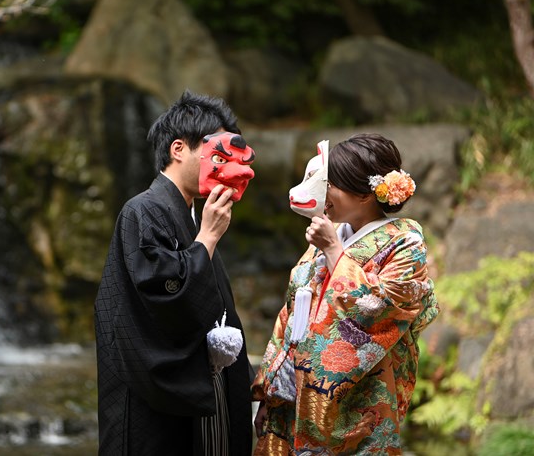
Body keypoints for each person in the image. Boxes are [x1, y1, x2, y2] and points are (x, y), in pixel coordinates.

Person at [251, 133, 439, 455]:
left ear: (364, 194)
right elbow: (291, 312)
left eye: (331, 185)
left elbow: (381, 308)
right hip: (293, 394)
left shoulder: (405, 242)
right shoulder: (332, 233)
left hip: (358, 399)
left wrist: (334, 251)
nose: (323, 193)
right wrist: (270, 390)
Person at [95, 90, 255, 456]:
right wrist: (207, 239)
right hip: (156, 398)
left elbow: (219, 309)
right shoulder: (142, 211)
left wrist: (242, 378)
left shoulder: (193, 215)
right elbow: (162, 295)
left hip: (204, 384)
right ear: (178, 149)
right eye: (217, 154)